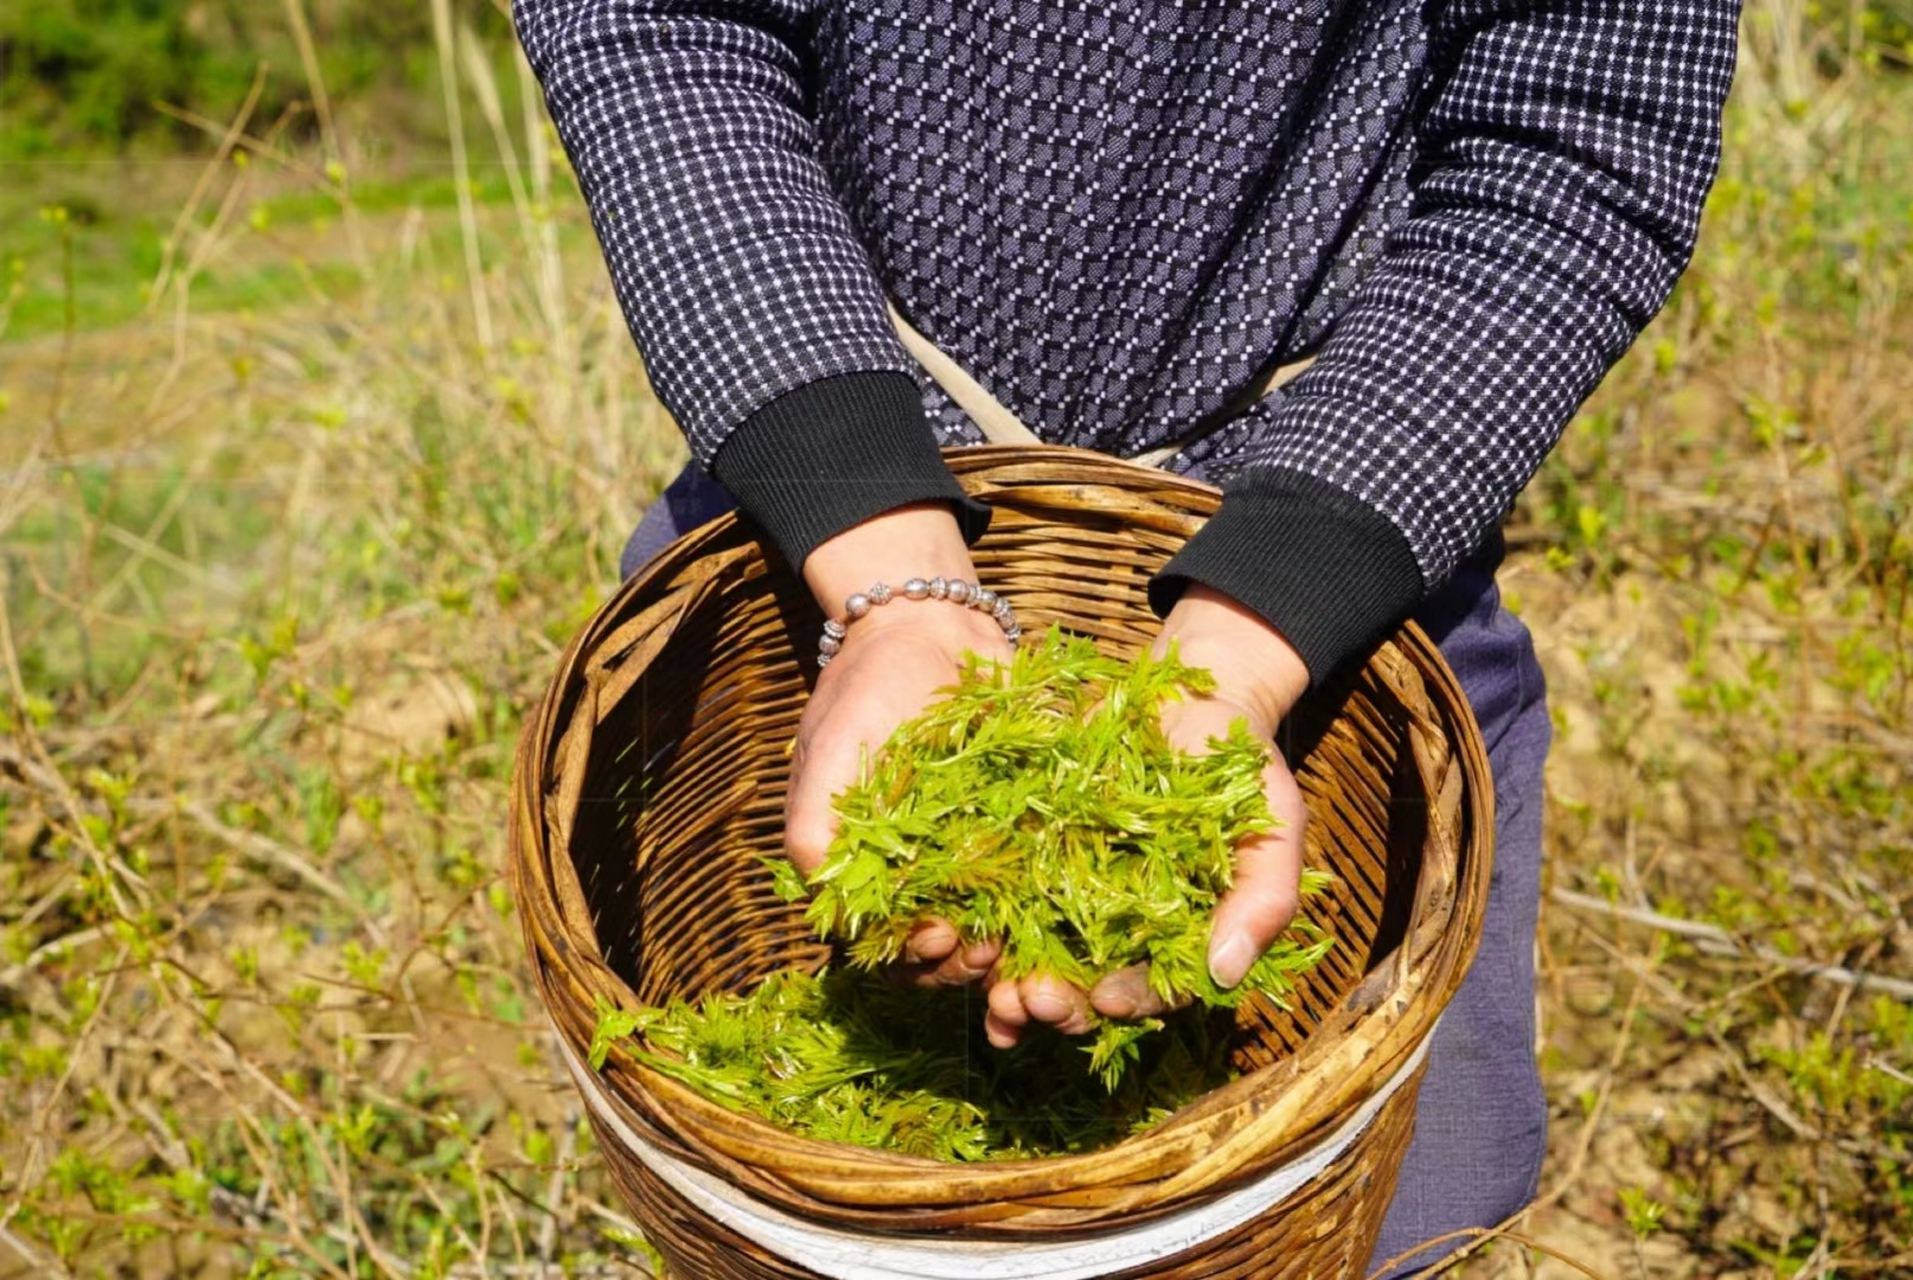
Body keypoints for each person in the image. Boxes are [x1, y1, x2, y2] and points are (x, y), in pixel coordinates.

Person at [514, 0, 1738, 1270]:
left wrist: (1250, 635)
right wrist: (885, 566)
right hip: (813, 508)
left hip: (1340, 558)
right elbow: (657, 36)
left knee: (1398, 1194)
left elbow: (1575, 143)